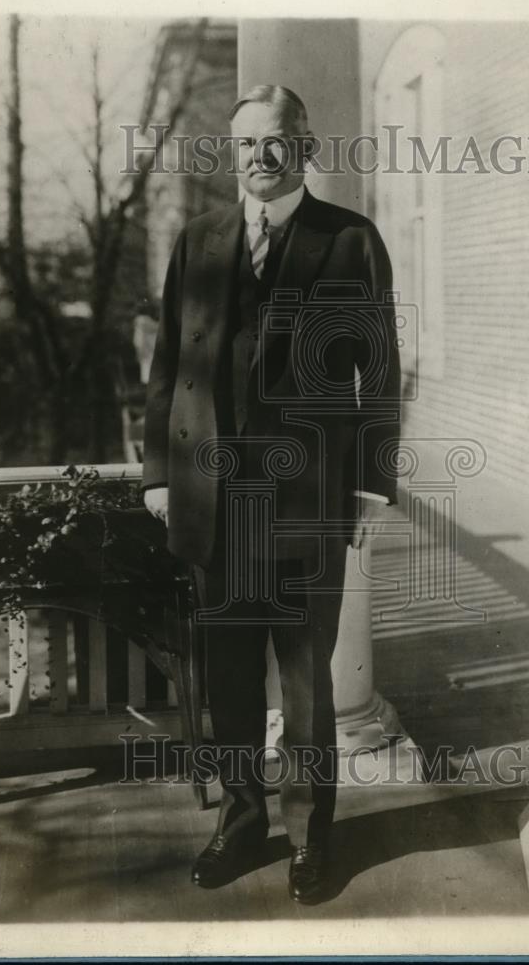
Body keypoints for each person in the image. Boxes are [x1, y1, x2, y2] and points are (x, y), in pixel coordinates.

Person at [142, 85, 400, 903]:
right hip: (210, 500)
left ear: (305, 144)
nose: (261, 156)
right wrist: (157, 475)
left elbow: (380, 375)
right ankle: (241, 819)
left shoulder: (351, 242)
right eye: (247, 143)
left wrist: (368, 484)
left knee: (306, 683)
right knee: (226, 677)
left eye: (276, 141)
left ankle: (309, 837)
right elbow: (167, 371)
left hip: (308, 498)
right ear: (233, 152)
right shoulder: (199, 241)